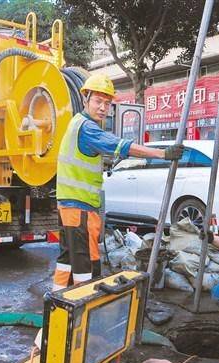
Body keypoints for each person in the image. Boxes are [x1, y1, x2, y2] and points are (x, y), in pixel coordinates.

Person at [53, 74, 183, 291]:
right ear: (86, 99)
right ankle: (83, 314)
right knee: (86, 264)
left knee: (68, 260)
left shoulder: (76, 124)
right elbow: (122, 146)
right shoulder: (87, 128)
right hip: (80, 208)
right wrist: (162, 154)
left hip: (68, 206)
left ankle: (57, 307)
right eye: (98, 101)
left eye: (107, 103)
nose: (103, 108)